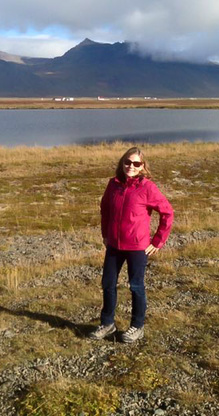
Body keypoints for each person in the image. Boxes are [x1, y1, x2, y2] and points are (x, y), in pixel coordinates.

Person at [90, 147, 174, 343]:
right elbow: (105, 209)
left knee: (136, 286)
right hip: (114, 246)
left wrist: (158, 241)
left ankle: (137, 327)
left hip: (138, 247)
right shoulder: (113, 184)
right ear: (122, 163)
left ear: (143, 167)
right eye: (128, 162)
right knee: (108, 284)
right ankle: (107, 324)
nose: (131, 166)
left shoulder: (148, 188)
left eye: (136, 163)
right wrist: (105, 234)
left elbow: (167, 213)